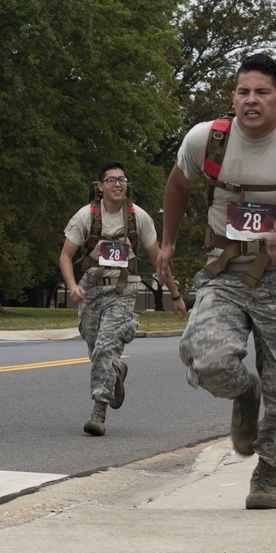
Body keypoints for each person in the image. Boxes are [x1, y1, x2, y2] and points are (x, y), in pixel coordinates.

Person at [156, 54, 276, 510]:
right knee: (208, 360)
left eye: (261, 92)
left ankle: (268, 470)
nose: (251, 100)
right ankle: (245, 391)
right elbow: (177, 186)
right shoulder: (207, 139)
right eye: (243, 92)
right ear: (233, 96)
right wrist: (167, 244)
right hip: (225, 271)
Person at [60, 161, 187, 436]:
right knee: (98, 353)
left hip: (123, 290)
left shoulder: (137, 217)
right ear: (100, 186)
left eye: (122, 179)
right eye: (111, 180)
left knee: (105, 349)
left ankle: (99, 411)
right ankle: (116, 372)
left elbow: (159, 260)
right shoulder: (85, 216)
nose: (118, 184)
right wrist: (71, 285)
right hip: (91, 291)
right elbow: (66, 256)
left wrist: (175, 295)